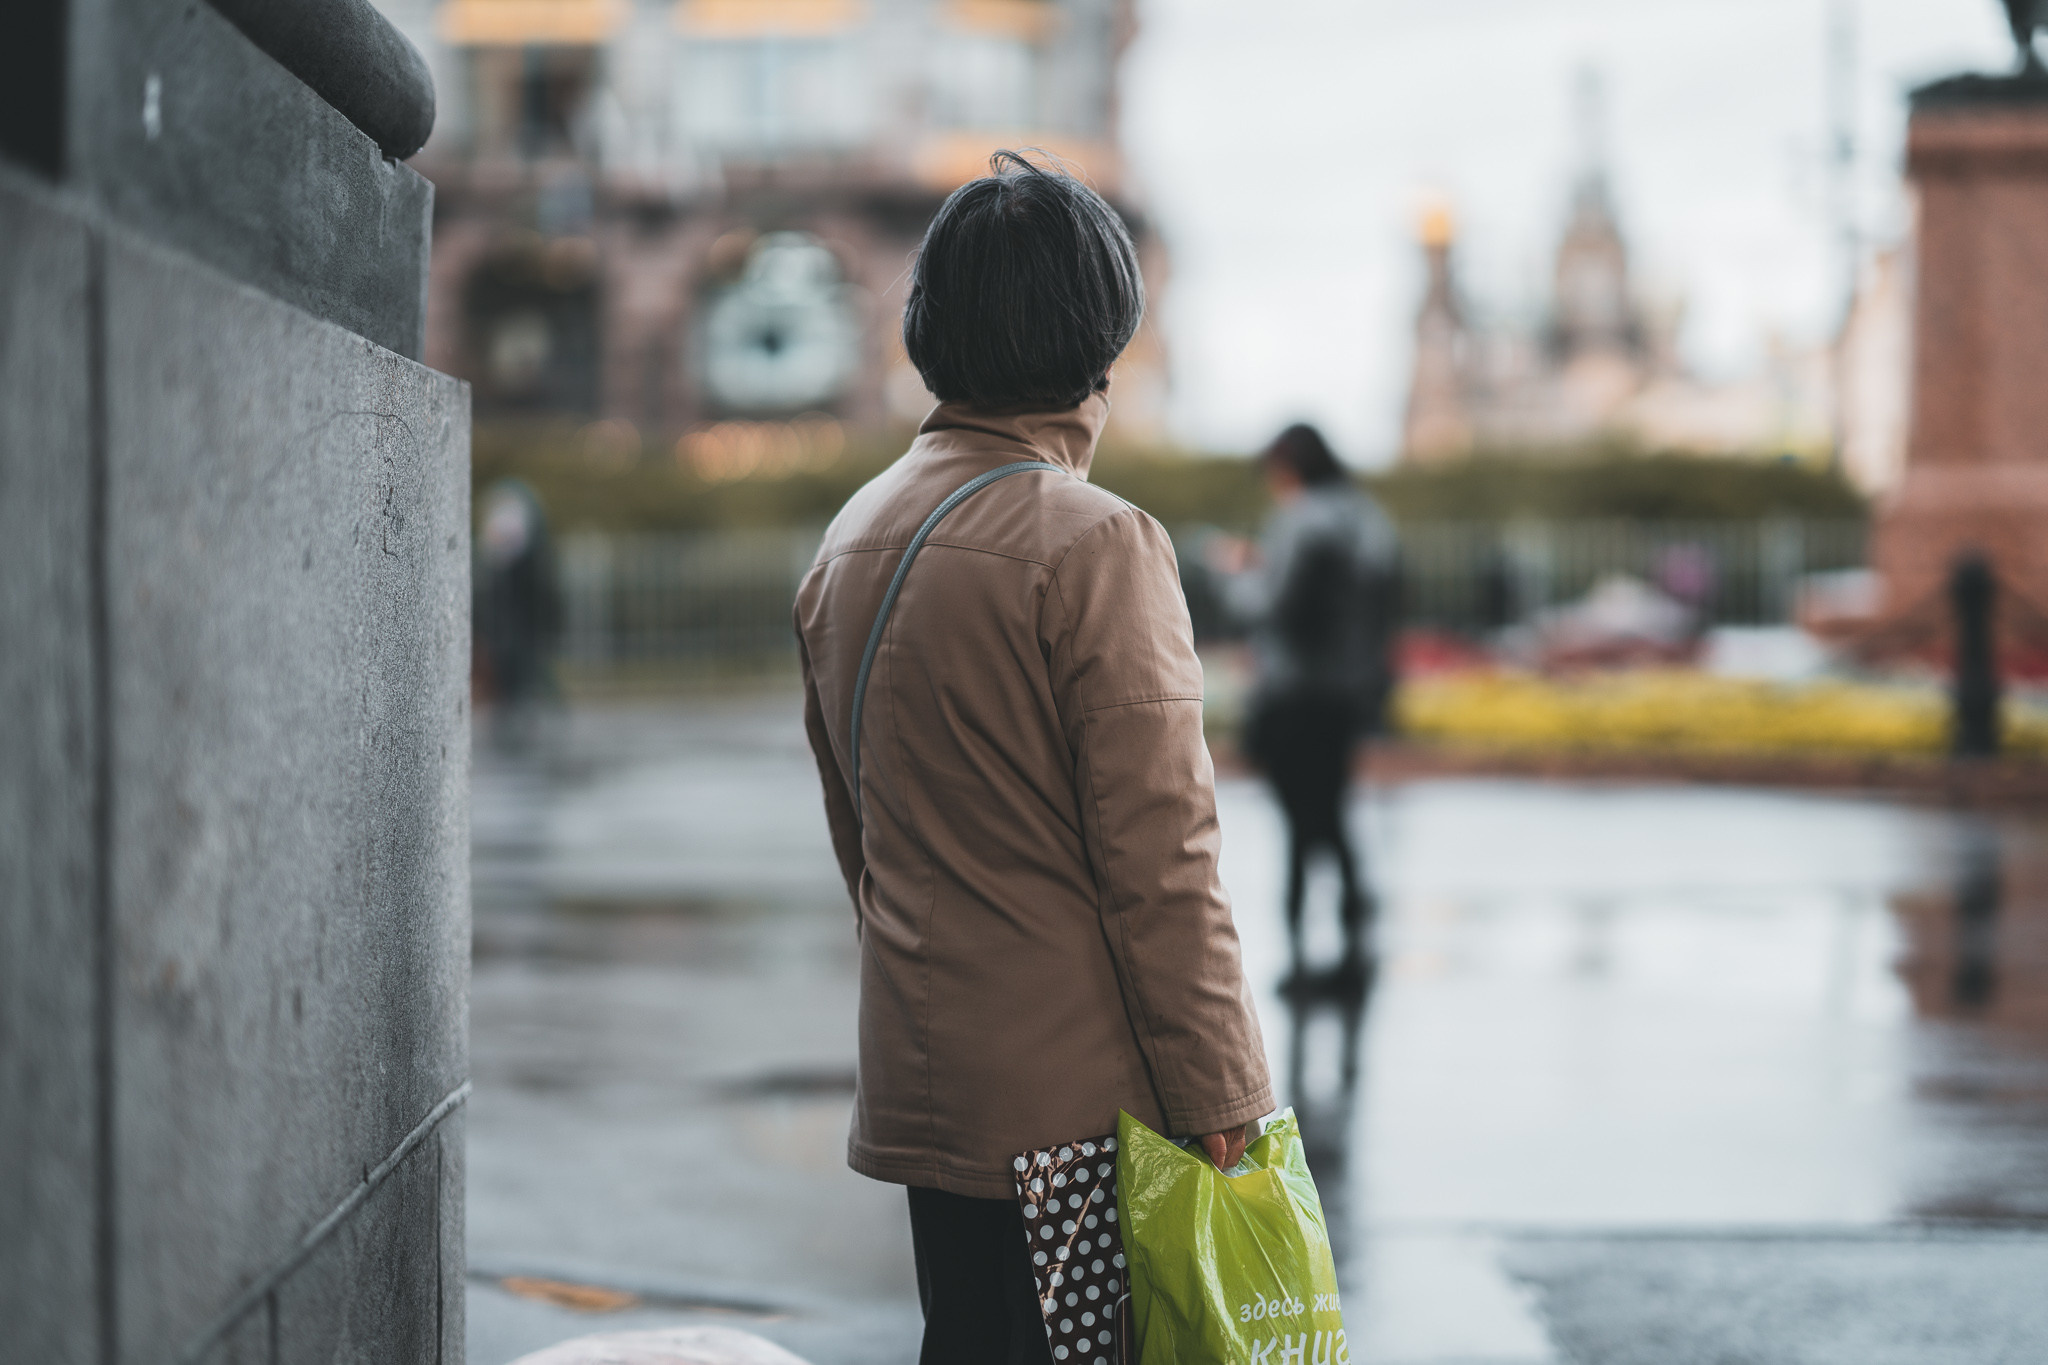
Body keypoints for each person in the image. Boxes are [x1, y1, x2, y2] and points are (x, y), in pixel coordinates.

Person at [793, 152, 1272, 1365]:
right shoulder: (1095, 541)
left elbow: (860, 838)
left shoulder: (850, 538)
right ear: (1098, 333)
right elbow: (1163, 858)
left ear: (927, 330)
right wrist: (1225, 1100)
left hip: (924, 1089)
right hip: (1072, 1118)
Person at [1222, 425, 1398, 983]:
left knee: (1299, 821)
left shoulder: (1300, 520)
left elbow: (1269, 605)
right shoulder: (1365, 518)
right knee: (1334, 814)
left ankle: (1300, 954)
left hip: (1295, 691)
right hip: (1345, 689)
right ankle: (1353, 942)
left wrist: (1240, 575)